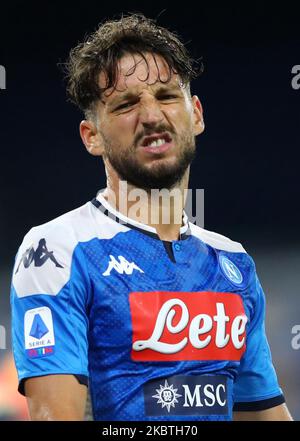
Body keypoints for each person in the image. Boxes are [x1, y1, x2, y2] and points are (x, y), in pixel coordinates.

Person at [10, 13, 292, 421]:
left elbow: (262, 411)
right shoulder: (58, 250)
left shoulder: (234, 263)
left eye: (166, 96)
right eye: (125, 104)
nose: (152, 116)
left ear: (195, 114)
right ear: (92, 137)